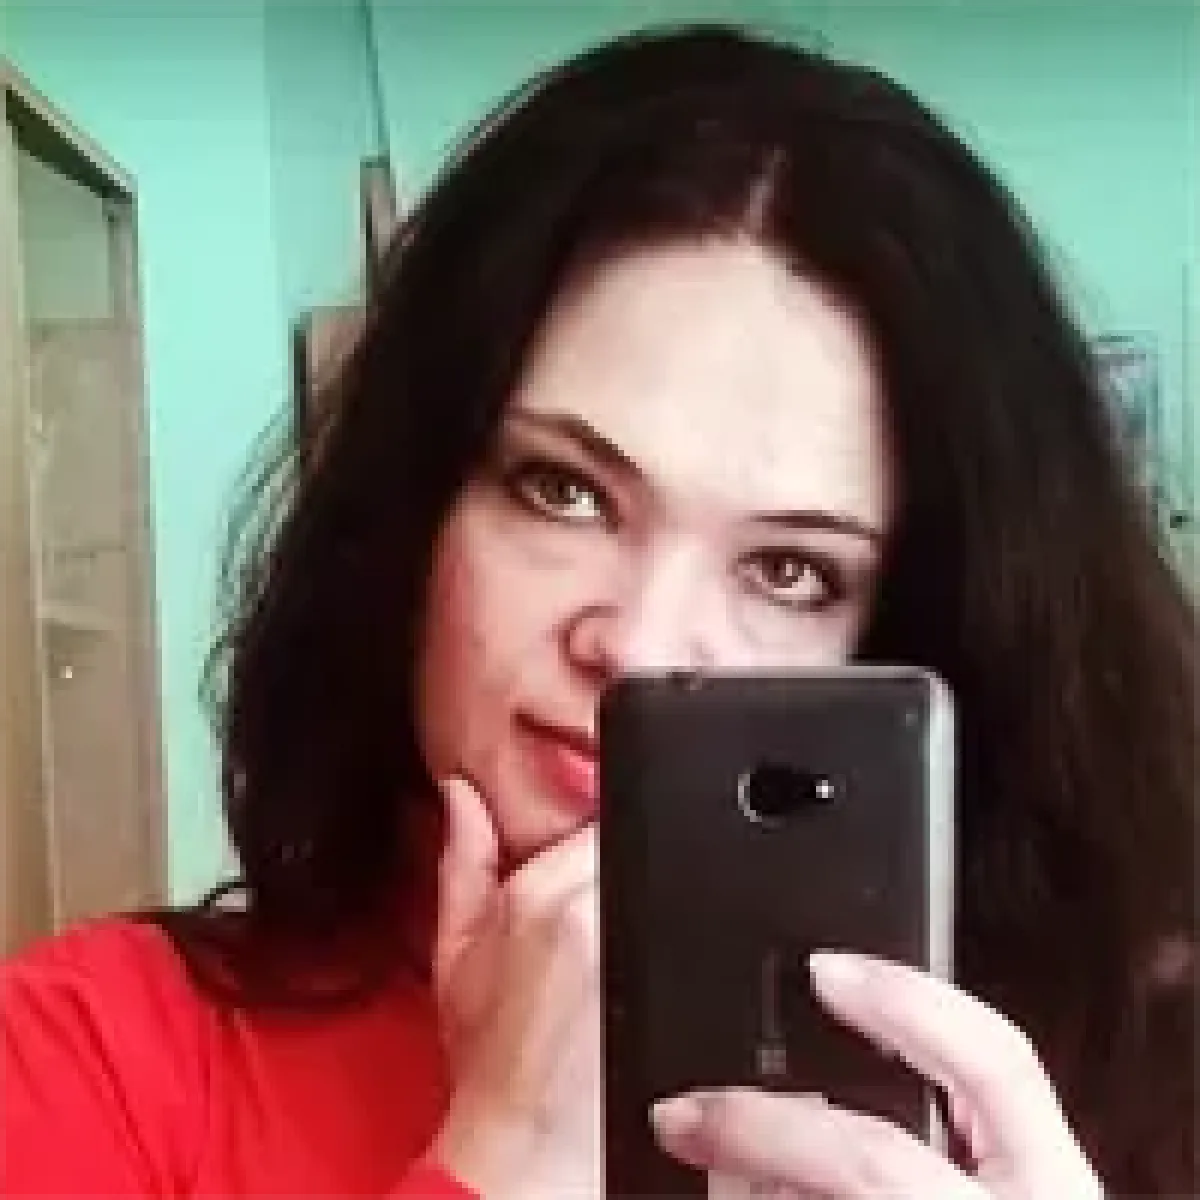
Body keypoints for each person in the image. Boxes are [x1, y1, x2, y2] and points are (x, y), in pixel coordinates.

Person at [3, 21, 1199, 1198]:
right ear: (417, 511)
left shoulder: (1092, 1090)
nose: (636, 645)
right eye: (562, 491)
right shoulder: (87, 1060)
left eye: (791, 571)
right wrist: (501, 1165)